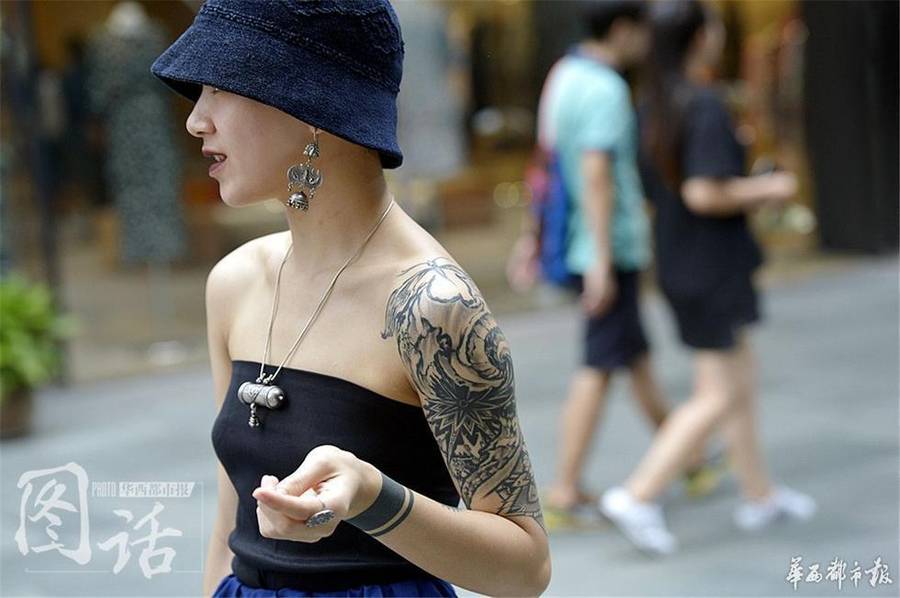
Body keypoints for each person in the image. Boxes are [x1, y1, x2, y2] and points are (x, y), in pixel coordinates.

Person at [149, 1, 549, 596]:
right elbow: (231, 518)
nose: (196, 121)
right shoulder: (235, 282)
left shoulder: (431, 305)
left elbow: (525, 567)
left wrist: (373, 498)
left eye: (221, 86)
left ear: (312, 107)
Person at [598, 0, 817, 556]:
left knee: (734, 378)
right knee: (721, 392)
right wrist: (771, 188)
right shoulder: (702, 104)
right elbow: (704, 192)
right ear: (699, 38)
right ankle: (639, 493)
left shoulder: (652, 105)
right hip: (711, 264)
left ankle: (759, 494)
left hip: (681, 259)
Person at [507, 0, 722, 529]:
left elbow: (546, 163)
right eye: (642, 29)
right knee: (599, 365)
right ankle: (564, 490)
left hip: (588, 244)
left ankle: (689, 458)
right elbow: (595, 172)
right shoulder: (605, 88)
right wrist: (602, 259)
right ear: (623, 29)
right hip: (607, 248)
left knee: (633, 357)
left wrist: (533, 236)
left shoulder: (564, 74)